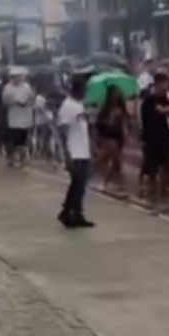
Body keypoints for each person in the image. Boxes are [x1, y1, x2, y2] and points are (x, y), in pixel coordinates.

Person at [57, 77, 94, 228]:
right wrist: (67, 154)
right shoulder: (68, 106)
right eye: (85, 90)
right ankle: (70, 213)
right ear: (78, 90)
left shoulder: (79, 105)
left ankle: (71, 212)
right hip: (74, 152)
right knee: (78, 184)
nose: (86, 93)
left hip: (83, 150)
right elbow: (63, 130)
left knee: (79, 185)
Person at [140, 73, 169, 201]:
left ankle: (161, 194)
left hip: (164, 137)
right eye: (164, 84)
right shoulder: (150, 99)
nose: (166, 87)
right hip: (152, 138)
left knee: (168, 166)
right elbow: (163, 110)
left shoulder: (164, 99)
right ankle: (152, 194)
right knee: (153, 169)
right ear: (158, 84)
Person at [95, 85, 128, 192]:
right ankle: (108, 183)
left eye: (118, 91)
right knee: (116, 161)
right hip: (109, 137)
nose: (117, 93)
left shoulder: (121, 107)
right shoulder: (105, 108)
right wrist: (111, 117)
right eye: (115, 91)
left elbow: (125, 121)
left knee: (110, 161)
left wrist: (125, 129)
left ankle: (106, 182)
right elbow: (100, 123)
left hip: (119, 137)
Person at [2, 68, 36, 167]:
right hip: (14, 117)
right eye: (14, 77)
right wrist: (15, 102)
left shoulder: (27, 86)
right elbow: (5, 101)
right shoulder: (8, 88)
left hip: (26, 116)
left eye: (19, 76)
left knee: (24, 138)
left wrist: (27, 103)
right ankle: (15, 157)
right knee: (15, 139)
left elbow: (32, 98)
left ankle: (22, 157)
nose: (17, 79)